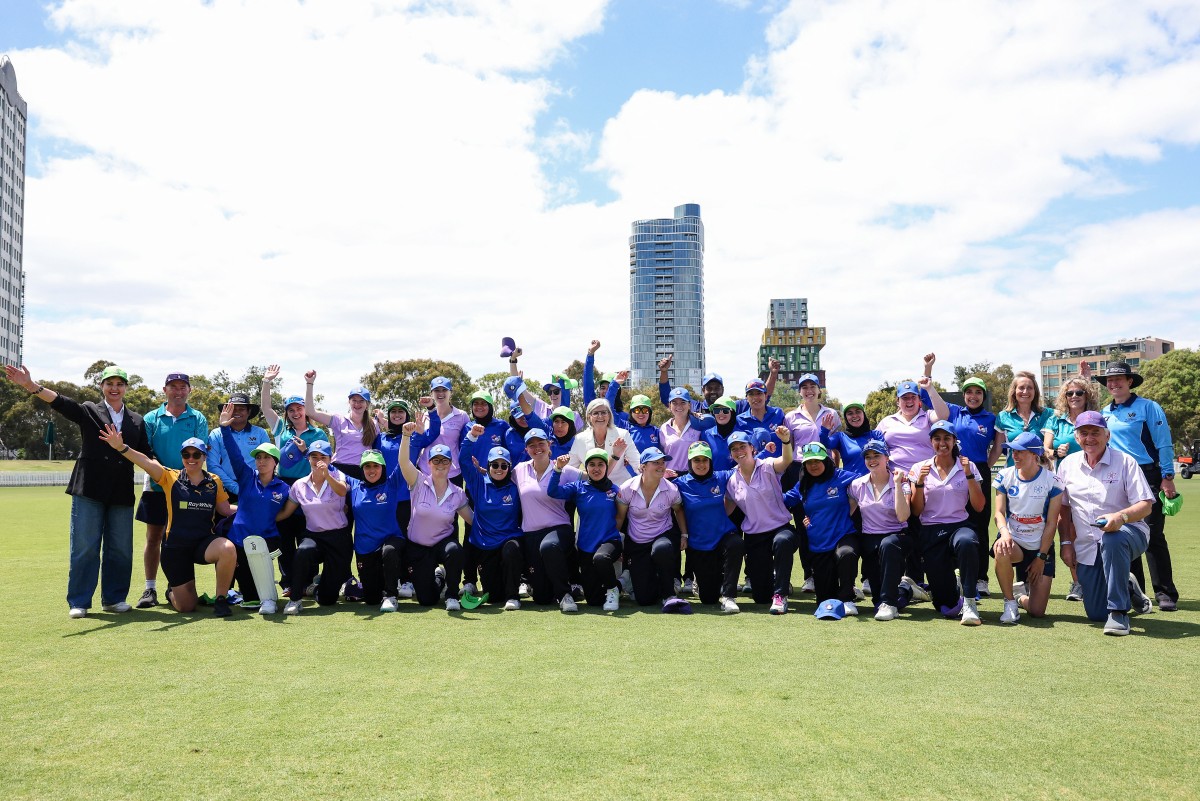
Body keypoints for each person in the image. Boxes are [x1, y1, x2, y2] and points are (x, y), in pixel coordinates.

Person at [5, 364, 150, 618]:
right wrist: (31, 386)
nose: (114, 388)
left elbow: (146, 455)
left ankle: (114, 599)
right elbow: (61, 402)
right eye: (109, 384)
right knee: (85, 547)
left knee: (120, 549)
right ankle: (80, 601)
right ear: (102, 387)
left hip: (121, 491)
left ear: (126, 388)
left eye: (119, 384)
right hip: (89, 490)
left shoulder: (137, 420)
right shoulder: (90, 411)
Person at [97, 428, 237, 616]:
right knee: (187, 606)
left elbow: (225, 510)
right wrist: (121, 447)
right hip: (176, 548)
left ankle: (221, 599)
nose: (191, 458)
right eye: (186, 454)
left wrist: (258, 507)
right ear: (182, 457)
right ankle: (172, 591)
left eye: (196, 454)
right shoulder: (171, 477)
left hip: (203, 543)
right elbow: (146, 462)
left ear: (204, 457)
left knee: (227, 548)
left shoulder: (214, 481)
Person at [1080, 361, 1179, 612]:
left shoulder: (1149, 407)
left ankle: (1165, 592)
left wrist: (1167, 475)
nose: (1114, 384)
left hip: (1148, 473)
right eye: (1109, 381)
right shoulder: (1105, 413)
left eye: (1119, 379)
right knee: (1122, 531)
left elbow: (1163, 442)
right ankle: (1137, 592)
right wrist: (1085, 378)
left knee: (1153, 535)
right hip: (1116, 475)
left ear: (1130, 381)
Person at [1055, 411, 1155, 636]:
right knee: (1096, 614)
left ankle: (1119, 612)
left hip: (1129, 533)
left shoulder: (1125, 461)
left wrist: (1120, 518)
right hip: (1088, 546)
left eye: (1095, 433)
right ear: (1076, 437)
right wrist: (1066, 543)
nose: (1090, 438)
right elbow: (1063, 508)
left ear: (1107, 435)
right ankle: (1127, 585)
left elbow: (1146, 504)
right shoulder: (1067, 465)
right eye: (1084, 433)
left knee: (1113, 537)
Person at [921, 354, 1003, 600]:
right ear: (964, 395)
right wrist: (928, 369)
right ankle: (955, 571)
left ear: (983, 396)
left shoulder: (990, 418)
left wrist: (984, 467)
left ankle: (980, 579)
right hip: (952, 469)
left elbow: (997, 447)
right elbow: (928, 396)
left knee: (979, 523)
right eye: (969, 392)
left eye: (978, 393)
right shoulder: (954, 412)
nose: (973, 396)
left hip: (977, 471)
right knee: (954, 521)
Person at [135, 372, 208, 609]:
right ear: (165, 390)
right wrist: (165, 475)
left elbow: (198, 451)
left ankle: (173, 586)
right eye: (173, 387)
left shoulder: (197, 418)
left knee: (177, 538)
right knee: (154, 537)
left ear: (189, 390)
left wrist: (180, 478)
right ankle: (149, 588)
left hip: (186, 489)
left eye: (182, 387)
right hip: (156, 486)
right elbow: (146, 451)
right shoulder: (151, 418)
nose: (178, 391)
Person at [259, 365, 330, 595]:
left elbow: (322, 457)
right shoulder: (281, 429)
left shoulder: (318, 434)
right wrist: (267, 382)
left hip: (310, 485)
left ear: (305, 411)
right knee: (284, 538)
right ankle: (289, 582)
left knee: (307, 535)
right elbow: (266, 407)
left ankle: (308, 580)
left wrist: (306, 449)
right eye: (291, 410)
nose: (296, 413)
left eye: (299, 408)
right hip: (284, 486)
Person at [908, 421, 986, 625]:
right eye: (937, 439)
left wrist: (969, 474)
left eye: (947, 438)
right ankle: (955, 588)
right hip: (931, 530)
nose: (942, 443)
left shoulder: (967, 465)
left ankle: (970, 602)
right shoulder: (919, 468)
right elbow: (916, 510)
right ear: (931, 442)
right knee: (946, 605)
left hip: (959, 525)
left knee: (968, 542)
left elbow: (978, 506)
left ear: (954, 441)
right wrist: (919, 483)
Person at [216, 403, 290, 613]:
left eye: (267, 457)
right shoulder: (247, 476)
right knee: (250, 600)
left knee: (263, 588)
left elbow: (292, 510)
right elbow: (234, 453)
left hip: (267, 540)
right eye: (258, 457)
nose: (261, 461)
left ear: (275, 462)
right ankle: (245, 593)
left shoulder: (284, 488)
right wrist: (224, 428)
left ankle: (272, 595)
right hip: (239, 540)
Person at [991, 432, 1064, 624]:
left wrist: (1041, 557)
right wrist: (1005, 533)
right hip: (1014, 542)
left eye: (1020, 451)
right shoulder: (1004, 476)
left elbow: (1051, 523)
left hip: (1041, 547)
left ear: (1034, 455)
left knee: (1037, 611)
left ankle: (1019, 596)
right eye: (1013, 451)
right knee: (1001, 547)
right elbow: (998, 513)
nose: (1014, 455)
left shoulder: (1052, 481)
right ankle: (1009, 603)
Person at [397, 431, 472, 611]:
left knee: (455, 550)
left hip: (442, 545)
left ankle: (452, 595)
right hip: (418, 547)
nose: (440, 464)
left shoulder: (458, 493)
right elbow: (403, 462)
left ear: (451, 464)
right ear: (429, 463)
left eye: (445, 460)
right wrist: (406, 437)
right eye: (436, 460)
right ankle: (439, 577)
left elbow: (472, 520)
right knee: (427, 600)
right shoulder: (418, 481)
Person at [725, 426, 796, 614]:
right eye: (734, 449)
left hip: (780, 528)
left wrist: (786, 441)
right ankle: (773, 582)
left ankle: (781, 594)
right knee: (761, 597)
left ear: (752, 448)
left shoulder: (767, 465)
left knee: (782, 542)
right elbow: (727, 508)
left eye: (742, 447)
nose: (739, 452)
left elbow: (787, 460)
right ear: (731, 454)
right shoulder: (731, 480)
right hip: (754, 535)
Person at [785, 443, 861, 615]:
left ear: (826, 461)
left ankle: (848, 597)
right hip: (819, 543)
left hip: (843, 535)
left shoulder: (841, 476)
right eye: (809, 462)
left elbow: (868, 481)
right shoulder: (802, 485)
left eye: (817, 461)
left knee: (847, 554)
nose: (813, 465)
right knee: (824, 599)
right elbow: (782, 500)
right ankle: (839, 592)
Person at [277, 440, 352, 614]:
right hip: (314, 536)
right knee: (303, 550)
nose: (318, 461)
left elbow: (342, 491)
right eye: (314, 457)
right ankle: (295, 599)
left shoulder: (338, 475)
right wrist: (262, 520)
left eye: (322, 457)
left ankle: (318, 587)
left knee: (327, 599)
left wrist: (327, 475)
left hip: (338, 537)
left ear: (330, 459)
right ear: (308, 459)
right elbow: (287, 512)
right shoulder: (299, 485)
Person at [1041, 376, 1098, 602]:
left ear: (1087, 396)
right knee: (1066, 532)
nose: (1074, 397)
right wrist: (1056, 452)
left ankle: (1091, 579)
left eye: (1079, 393)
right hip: (1062, 482)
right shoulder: (1056, 420)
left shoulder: (1092, 419)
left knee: (1086, 530)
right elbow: (1045, 449)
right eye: (1070, 393)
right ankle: (1077, 583)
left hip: (1089, 481)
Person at [615, 448, 692, 612]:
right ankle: (637, 579)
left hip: (662, 534)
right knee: (644, 600)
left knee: (661, 550)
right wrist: (617, 542)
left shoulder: (671, 489)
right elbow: (620, 518)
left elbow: (678, 510)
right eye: (656, 462)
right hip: (637, 541)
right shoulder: (627, 488)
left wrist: (684, 534)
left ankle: (669, 594)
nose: (661, 466)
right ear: (643, 467)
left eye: (663, 462)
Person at [547, 448, 623, 611]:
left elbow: (624, 517)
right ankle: (619, 584)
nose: (596, 468)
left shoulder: (615, 490)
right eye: (592, 465)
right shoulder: (578, 488)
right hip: (586, 547)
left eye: (601, 465)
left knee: (602, 558)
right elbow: (552, 491)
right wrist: (558, 469)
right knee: (594, 600)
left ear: (606, 467)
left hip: (610, 541)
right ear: (586, 468)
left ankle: (613, 589)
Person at [672, 442, 743, 612]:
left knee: (737, 544)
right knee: (708, 599)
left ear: (711, 462)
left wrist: (764, 451)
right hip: (699, 544)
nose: (701, 464)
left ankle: (728, 596)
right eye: (697, 460)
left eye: (705, 460)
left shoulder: (721, 476)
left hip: (723, 537)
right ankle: (704, 582)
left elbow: (744, 465)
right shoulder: (679, 484)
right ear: (690, 462)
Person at [515, 428, 582, 607]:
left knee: (549, 546)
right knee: (542, 598)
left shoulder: (565, 471)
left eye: (541, 444)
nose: (537, 448)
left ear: (549, 445)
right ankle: (558, 588)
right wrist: (481, 471)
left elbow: (593, 478)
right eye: (532, 445)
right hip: (531, 535)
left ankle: (565, 594)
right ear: (526, 449)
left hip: (558, 529)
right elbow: (498, 479)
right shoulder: (520, 470)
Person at [847, 440, 911, 621]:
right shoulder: (857, 485)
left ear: (887, 458)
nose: (872, 460)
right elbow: (847, 513)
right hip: (870, 539)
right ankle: (905, 590)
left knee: (888, 545)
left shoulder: (900, 482)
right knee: (877, 598)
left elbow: (903, 516)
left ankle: (889, 604)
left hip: (896, 537)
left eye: (877, 456)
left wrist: (897, 484)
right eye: (868, 457)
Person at [346, 448, 411, 613]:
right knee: (371, 599)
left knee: (389, 551)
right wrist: (305, 452)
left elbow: (404, 460)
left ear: (383, 467)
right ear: (362, 469)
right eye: (367, 466)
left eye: (376, 466)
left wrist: (408, 436)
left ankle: (391, 596)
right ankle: (379, 584)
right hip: (365, 547)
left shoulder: (392, 483)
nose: (372, 470)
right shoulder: (354, 485)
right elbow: (328, 468)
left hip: (391, 540)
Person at [465, 446, 525, 610]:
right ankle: (502, 590)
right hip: (486, 544)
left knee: (512, 549)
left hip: (509, 539)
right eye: (495, 465)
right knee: (494, 596)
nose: (499, 469)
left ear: (509, 467)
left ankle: (513, 596)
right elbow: (463, 460)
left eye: (504, 466)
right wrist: (471, 438)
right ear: (488, 466)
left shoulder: (516, 487)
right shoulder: (479, 483)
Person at [304, 373, 376, 480]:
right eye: (354, 401)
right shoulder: (338, 420)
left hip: (363, 471)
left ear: (367, 404)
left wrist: (383, 420)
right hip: (340, 470)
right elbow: (310, 412)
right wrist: (309, 383)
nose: (357, 404)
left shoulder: (374, 424)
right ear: (349, 402)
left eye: (361, 401)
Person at [656, 353, 780, 414]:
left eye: (717, 388)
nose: (713, 391)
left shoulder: (734, 407)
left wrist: (773, 374)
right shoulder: (694, 407)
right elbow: (668, 398)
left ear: (723, 390)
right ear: (703, 390)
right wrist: (664, 372)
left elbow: (764, 397)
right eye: (709, 388)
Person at [567, 398, 640, 482]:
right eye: (595, 413)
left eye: (603, 412)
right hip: (593, 490)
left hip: (619, 489)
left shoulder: (622, 435)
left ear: (609, 415)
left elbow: (637, 464)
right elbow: (570, 469)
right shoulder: (580, 439)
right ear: (589, 416)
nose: (600, 416)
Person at [996, 371, 1053, 467]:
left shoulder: (1048, 414)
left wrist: (1082, 379)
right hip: (1014, 474)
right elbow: (997, 449)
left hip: (1041, 474)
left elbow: (1071, 409)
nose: (1025, 391)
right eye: (1021, 388)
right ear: (1014, 391)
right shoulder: (1003, 416)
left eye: (1030, 388)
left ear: (1035, 391)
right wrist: (983, 471)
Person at [658, 388, 715, 473]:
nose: (679, 406)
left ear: (689, 405)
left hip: (691, 477)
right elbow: (660, 455)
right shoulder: (664, 428)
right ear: (670, 406)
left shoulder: (698, 424)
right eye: (674, 403)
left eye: (683, 402)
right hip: (669, 477)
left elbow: (713, 422)